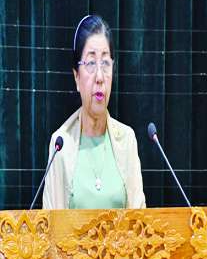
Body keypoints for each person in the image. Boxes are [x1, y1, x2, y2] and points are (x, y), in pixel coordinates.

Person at [44, 15, 145, 209]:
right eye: (91, 63)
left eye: (105, 63)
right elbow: (50, 223)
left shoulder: (127, 140)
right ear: (76, 77)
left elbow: (140, 220)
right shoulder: (60, 145)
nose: (99, 77)